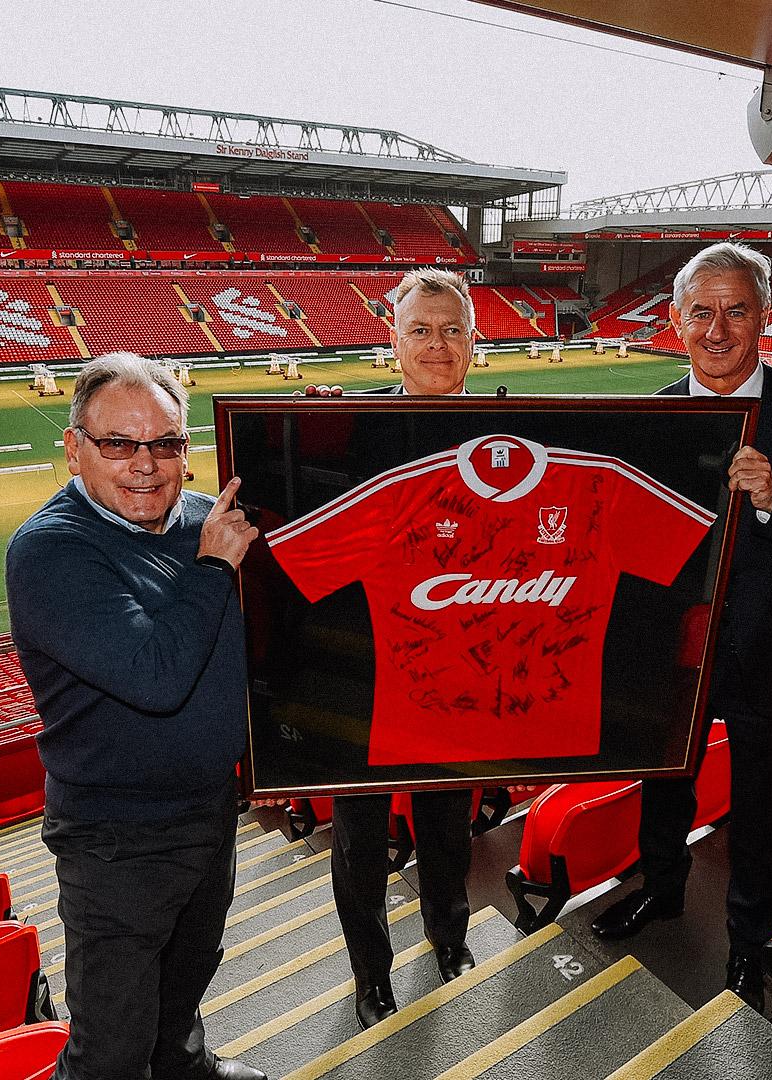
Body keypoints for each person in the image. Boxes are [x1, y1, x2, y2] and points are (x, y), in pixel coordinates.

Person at [589, 243, 772, 1015]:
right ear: (675, 322)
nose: (718, 328)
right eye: (701, 311)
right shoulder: (650, 415)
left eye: (735, 309)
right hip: (672, 655)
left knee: (763, 812)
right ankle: (660, 890)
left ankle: (751, 942)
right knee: (663, 790)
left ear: (765, 317)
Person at [5, 352, 267, 1080]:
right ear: (74, 447)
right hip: (115, 839)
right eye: (119, 444)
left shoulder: (202, 520)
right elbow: (154, 676)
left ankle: (190, 1070)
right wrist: (215, 568)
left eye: (165, 444)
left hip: (209, 812)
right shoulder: (49, 550)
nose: (145, 465)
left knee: (184, 986)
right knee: (112, 1049)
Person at [330, 267, 479, 1029]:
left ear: (475, 345)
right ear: (393, 340)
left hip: (460, 680)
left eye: (453, 329)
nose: (437, 344)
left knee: (448, 827)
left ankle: (448, 936)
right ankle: (370, 975)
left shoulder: (514, 442)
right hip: (366, 680)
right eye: (421, 329)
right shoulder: (348, 434)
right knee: (359, 842)